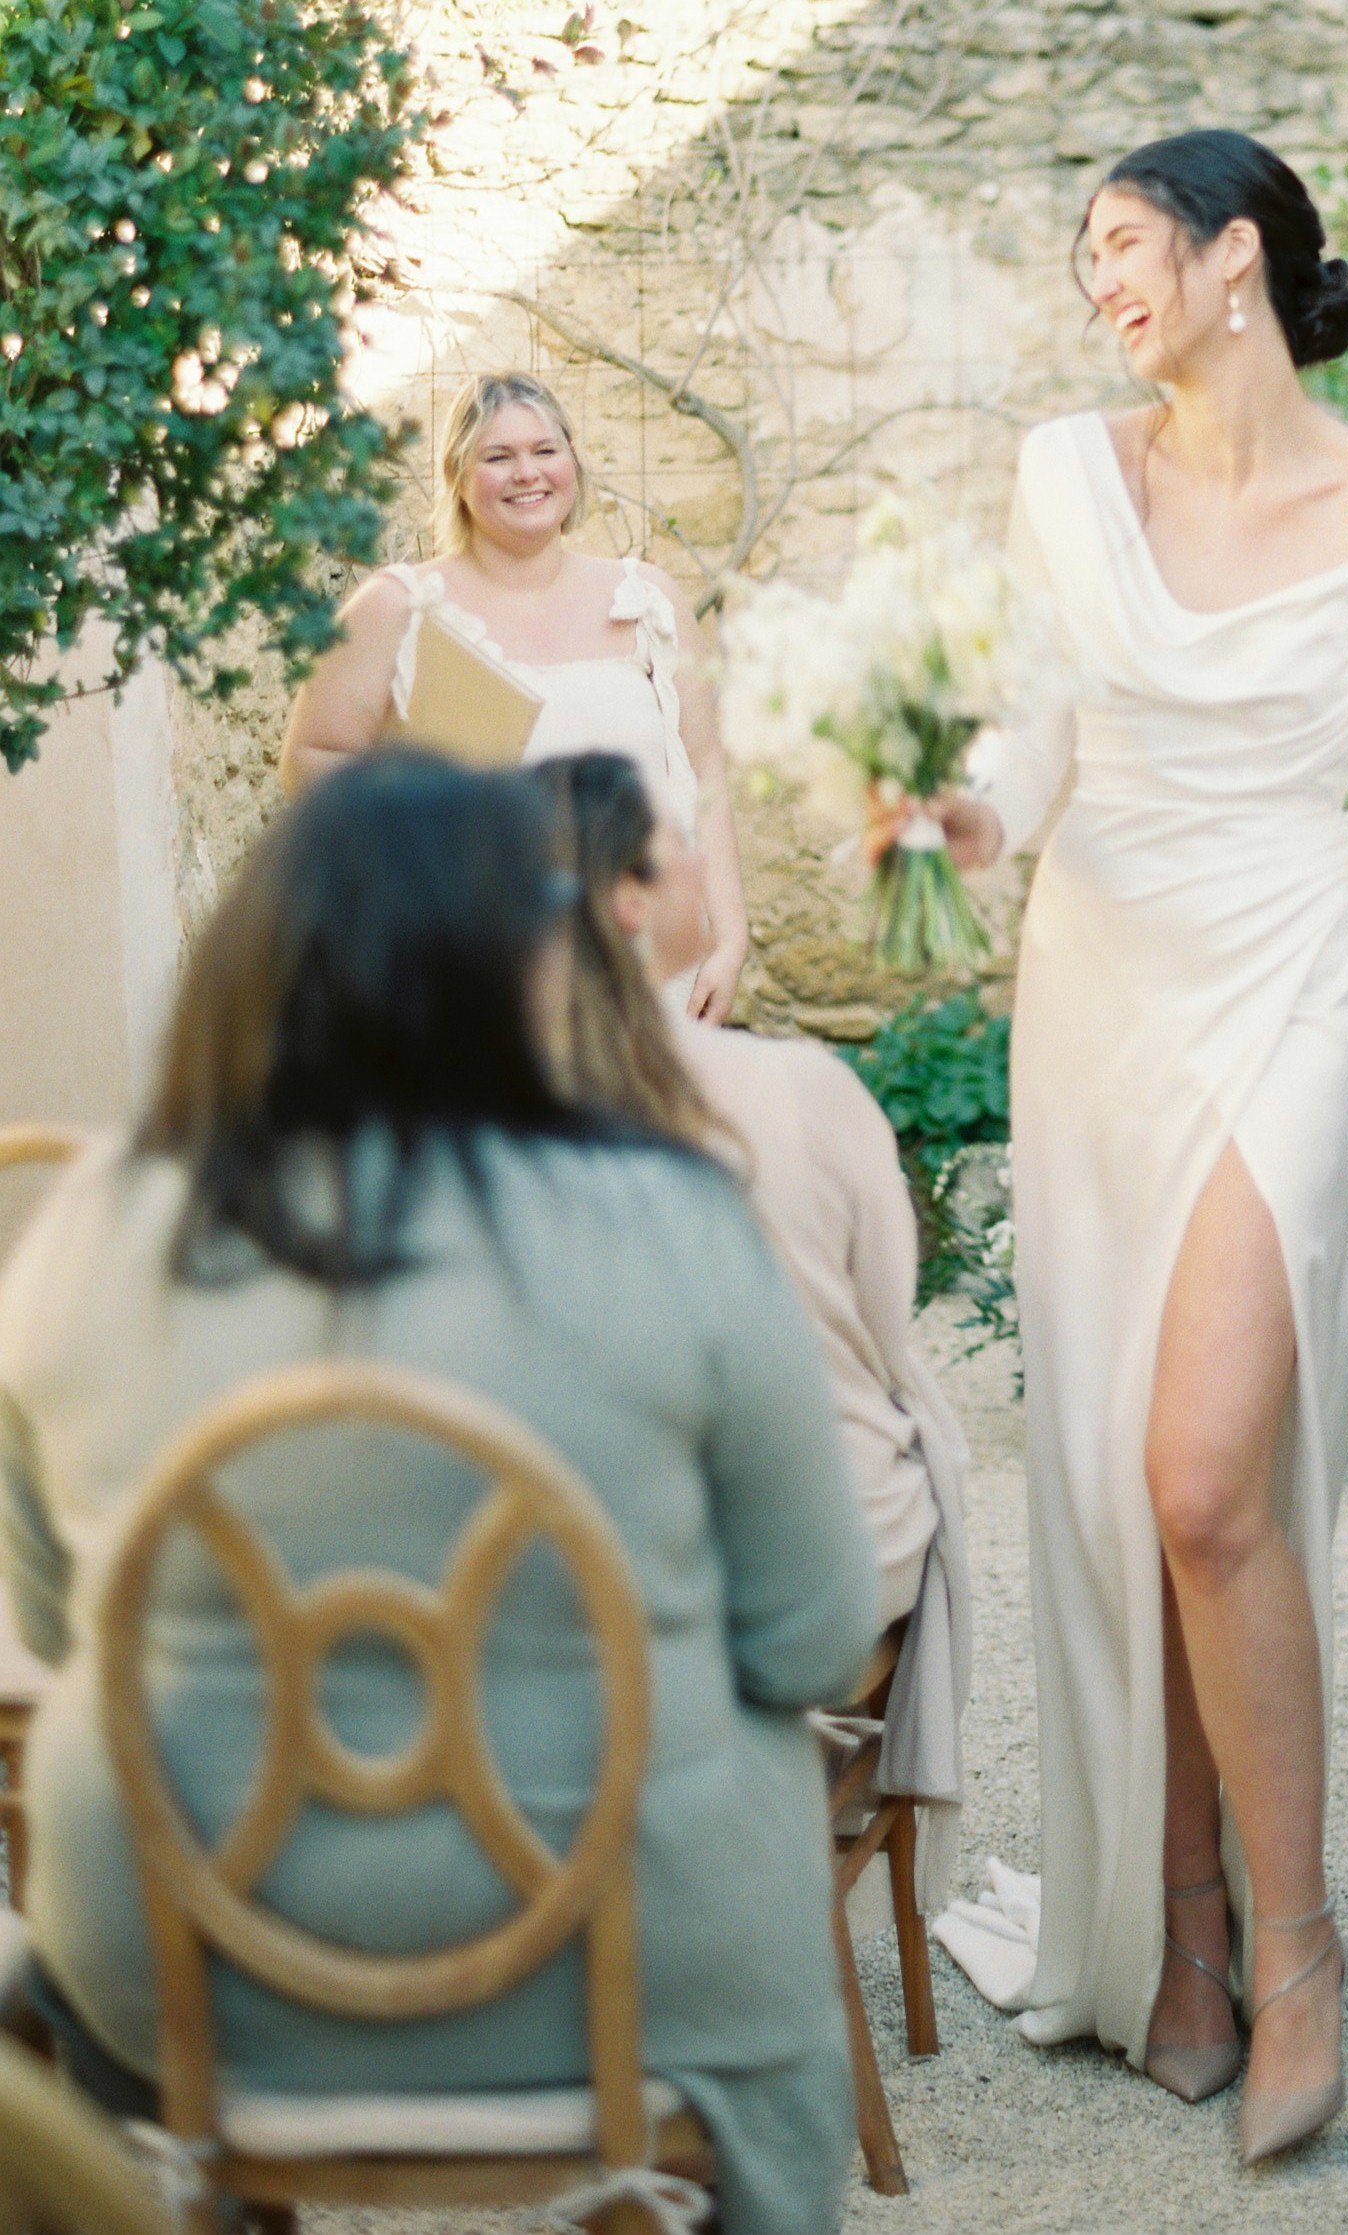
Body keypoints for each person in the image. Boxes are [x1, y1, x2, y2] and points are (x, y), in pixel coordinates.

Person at [0, 756, 876, 2235]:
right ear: (524, 963)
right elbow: (814, 1640)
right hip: (627, 1971)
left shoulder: (94, 1223)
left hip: (181, 1971)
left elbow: (59, 1619)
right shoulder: (668, 1218)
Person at [932, 130, 1348, 2164]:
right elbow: (1028, 747)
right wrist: (944, 821)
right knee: (1108, 1481)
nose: (1103, 288)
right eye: (1085, 261)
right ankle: (1171, 1936)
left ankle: (1298, 1942)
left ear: (1239, 254)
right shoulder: (1069, 475)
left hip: (1286, 976)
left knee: (1200, 1471)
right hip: (1095, 979)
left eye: (1128, 246)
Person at [539, 747, 972, 1905]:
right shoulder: (801, 1090)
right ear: (632, 898)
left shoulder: (476, 1123)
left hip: (566, 1593)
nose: (704, 866)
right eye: (683, 843)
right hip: (804, 1579)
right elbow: (891, 1332)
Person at [280, 369, 750, 1020]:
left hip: (644, 970)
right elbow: (313, 758)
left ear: (572, 462)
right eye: (497, 456)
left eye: (544, 450)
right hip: (472, 964)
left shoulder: (647, 601)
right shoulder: (399, 607)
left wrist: (728, 938)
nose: (527, 473)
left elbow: (705, 774)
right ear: (459, 476)